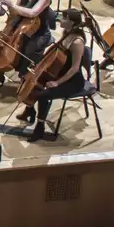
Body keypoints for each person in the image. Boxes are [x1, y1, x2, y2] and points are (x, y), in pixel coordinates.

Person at [16, 7, 90, 141]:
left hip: (72, 81)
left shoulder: (77, 42)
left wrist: (57, 83)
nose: (59, 19)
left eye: (63, 18)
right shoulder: (66, 33)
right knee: (30, 81)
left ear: (72, 22)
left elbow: (74, 68)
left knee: (43, 95)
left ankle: (39, 128)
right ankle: (29, 110)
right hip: (58, 73)